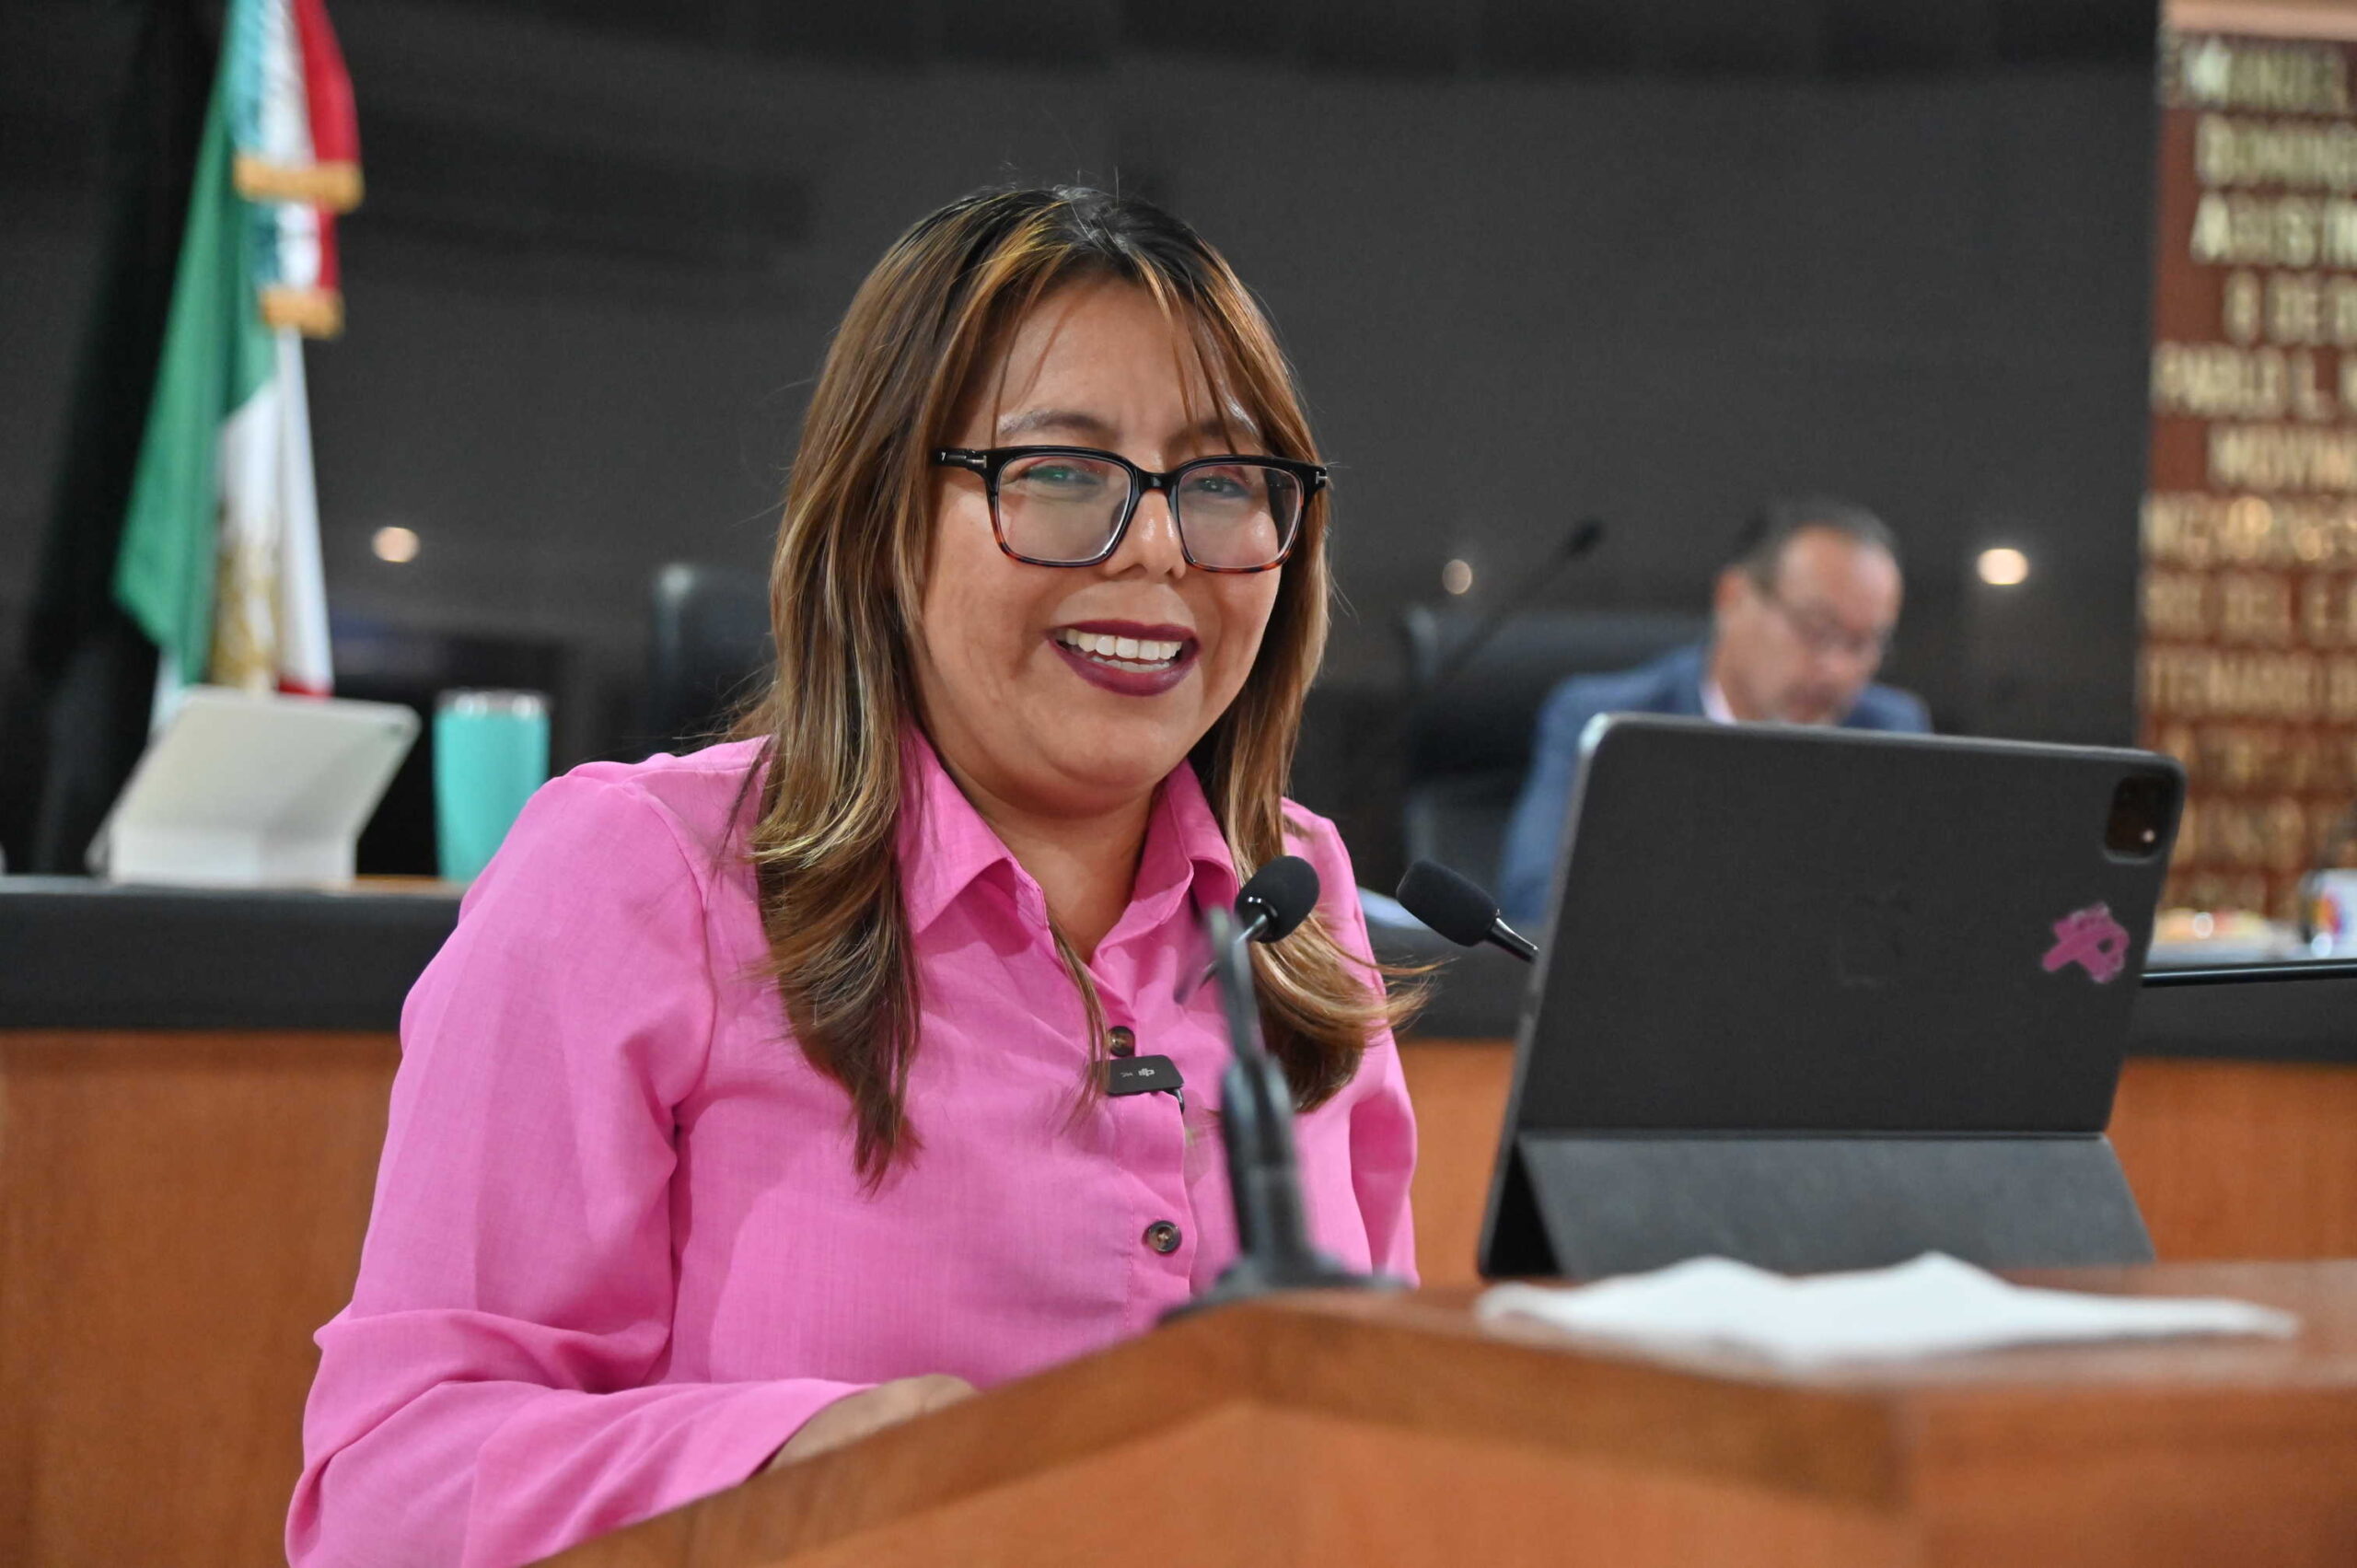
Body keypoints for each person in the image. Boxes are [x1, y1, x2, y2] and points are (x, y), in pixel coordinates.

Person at [287, 188, 1418, 1568]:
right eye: (1060, 471)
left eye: (1225, 481)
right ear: (884, 517)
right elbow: (387, 1492)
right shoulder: (642, 876)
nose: (1160, 545)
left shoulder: (1291, 898)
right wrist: (807, 1462)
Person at [1496, 497, 1927, 926]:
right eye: (1817, 629)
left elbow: (1921, 904)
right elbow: (1535, 896)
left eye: (1864, 644)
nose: (1836, 669)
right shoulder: (1607, 721)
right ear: (1732, 597)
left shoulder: (1890, 730)